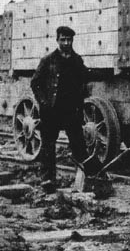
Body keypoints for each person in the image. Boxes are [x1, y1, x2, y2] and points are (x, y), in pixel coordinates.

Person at [30, 26, 102, 193]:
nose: (66, 43)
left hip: (71, 111)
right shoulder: (48, 60)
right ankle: (47, 180)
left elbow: (85, 76)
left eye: (69, 40)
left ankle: (90, 177)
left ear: (72, 41)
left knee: (78, 145)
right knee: (48, 145)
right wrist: (44, 102)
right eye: (63, 39)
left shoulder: (77, 60)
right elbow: (35, 83)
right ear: (57, 40)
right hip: (51, 111)